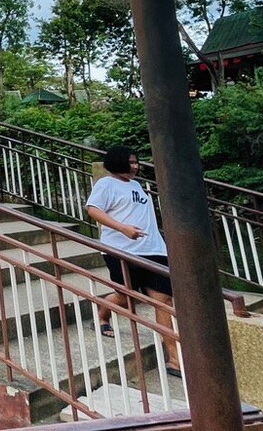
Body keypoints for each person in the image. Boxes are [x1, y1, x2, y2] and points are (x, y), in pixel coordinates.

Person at [85, 145, 182, 377]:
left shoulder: (137, 186)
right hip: (120, 250)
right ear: (116, 162)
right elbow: (93, 210)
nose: (135, 166)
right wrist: (123, 229)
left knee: (163, 301)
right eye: (130, 162)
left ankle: (175, 359)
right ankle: (103, 314)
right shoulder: (106, 184)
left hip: (153, 250)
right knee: (126, 295)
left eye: (136, 162)